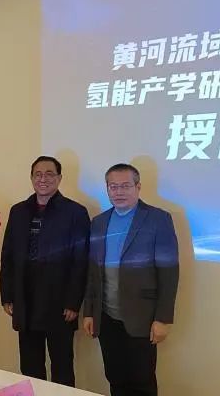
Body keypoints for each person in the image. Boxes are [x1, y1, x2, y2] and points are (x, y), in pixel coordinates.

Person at [82, 163, 179, 396]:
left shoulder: (158, 219)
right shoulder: (99, 222)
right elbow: (93, 272)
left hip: (142, 316)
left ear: (138, 187)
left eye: (125, 186)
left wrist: (163, 318)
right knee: (115, 377)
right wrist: (89, 312)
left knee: (142, 380)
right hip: (107, 316)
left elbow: (169, 272)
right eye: (113, 187)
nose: (119, 192)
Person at [0, 156, 90, 386]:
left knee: (62, 366)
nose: (43, 179)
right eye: (38, 174)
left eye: (50, 174)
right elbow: (8, 256)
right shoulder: (18, 211)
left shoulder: (75, 212)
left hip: (59, 302)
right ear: (31, 178)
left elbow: (81, 261)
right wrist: (7, 296)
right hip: (25, 300)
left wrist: (73, 302)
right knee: (30, 366)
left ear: (59, 178)